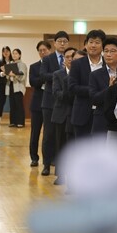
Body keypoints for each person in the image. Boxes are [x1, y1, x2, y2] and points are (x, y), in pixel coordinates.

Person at [40, 31, 70, 176]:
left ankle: (61, 164)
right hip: (49, 102)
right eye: (60, 41)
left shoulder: (72, 58)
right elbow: (43, 75)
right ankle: (46, 164)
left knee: (63, 135)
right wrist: (60, 74)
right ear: (54, 43)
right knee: (48, 134)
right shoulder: (48, 59)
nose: (62, 44)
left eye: (65, 41)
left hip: (65, 103)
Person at [69, 29, 106, 138]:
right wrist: (94, 91)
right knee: (81, 150)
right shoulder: (77, 64)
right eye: (90, 42)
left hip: (102, 114)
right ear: (85, 44)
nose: (93, 45)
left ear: (103, 46)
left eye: (97, 42)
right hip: (82, 114)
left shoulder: (107, 64)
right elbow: (72, 87)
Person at [51, 47, 77, 185]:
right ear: (64, 60)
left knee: (74, 145)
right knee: (60, 145)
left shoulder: (80, 75)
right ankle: (60, 175)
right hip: (61, 114)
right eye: (68, 57)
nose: (70, 59)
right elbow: (57, 94)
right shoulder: (58, 74)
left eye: (73, 56)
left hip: (75, 114)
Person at [89, 37, 117, 135]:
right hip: (101, 121)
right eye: (106, 51)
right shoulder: (95, 74)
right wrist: (109, 89)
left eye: (112, 51)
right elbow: (94, 99)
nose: (108, 54)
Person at [28, 41, 51, 167]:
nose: (42, 52)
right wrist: (45, 77)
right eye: (40, 50)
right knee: (35, 132)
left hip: (49, 103)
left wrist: (44, 78)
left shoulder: (53, 65)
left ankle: (49, 158)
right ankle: (34, 157)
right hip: (37, 103)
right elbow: (33, 82)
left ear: (49, 50)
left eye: (45, 50)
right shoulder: (34, 66)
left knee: (49, 133)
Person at [0, 46, 13, 124]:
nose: (5, 53)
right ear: (2, 53)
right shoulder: (0, 61)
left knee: (12, 101)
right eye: (4, 51)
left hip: (12, 83)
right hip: (3, 83)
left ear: (9, 52)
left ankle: (13, 119)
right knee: (1, 100)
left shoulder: (12, 61)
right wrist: (1, 73)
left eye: (7, 51)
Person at [9, 48, 27, 127]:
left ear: (19, 55)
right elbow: (9, 77)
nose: (14, 55)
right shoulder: (10, 64)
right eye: (13, 53)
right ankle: (13, 122)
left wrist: (15, 75)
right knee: (12, 104)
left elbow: (22, 77)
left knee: (18, 105)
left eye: (16, 53)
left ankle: (20, 122)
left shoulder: (22, 64)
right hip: (11, 86)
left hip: (19, 87)